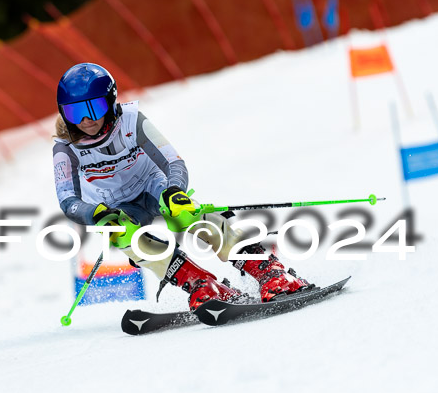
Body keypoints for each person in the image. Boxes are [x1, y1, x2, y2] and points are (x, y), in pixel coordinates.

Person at [52, 63, 310, 310]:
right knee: (122, 234)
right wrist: (94, 213)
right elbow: (68, 201)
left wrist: (175, 191)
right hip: (115, 207)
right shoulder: (65, 147)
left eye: (94, 108)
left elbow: (173, 162)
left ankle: (267, 270)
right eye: (76, 112)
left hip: (154, 186)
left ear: (110, 101)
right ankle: (201, 283)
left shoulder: (131, 120)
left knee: (185, 211)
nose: (86, 120)